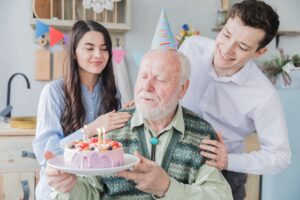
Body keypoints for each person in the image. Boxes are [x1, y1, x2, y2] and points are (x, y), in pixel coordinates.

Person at [46, 49, 233, 200]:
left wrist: (167, 187)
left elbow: (220, 196)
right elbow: (88, 192)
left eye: (160, 79)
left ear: (182, 89)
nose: (147, 87)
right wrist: (68, 188)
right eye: (143, 76)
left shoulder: (202, 134)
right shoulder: (112, 128)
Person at [179, 0, 291, 199]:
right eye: (226, 34)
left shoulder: (263, 95)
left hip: (224, 173)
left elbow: (280, 157)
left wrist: (229, 161)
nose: (227, 49)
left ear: (259, 52)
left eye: (242, 46)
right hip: (173, 157)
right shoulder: (191, 47)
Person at [32, 20, 131, 200]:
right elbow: (47, 154)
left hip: (95, 191)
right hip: (58, 191)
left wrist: (132, 113)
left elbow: (116, 143)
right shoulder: (54, 92)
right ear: (74, 53)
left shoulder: (112, 93)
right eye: (89, 48)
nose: (98, 54)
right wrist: (90, 129)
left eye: (103, 48)